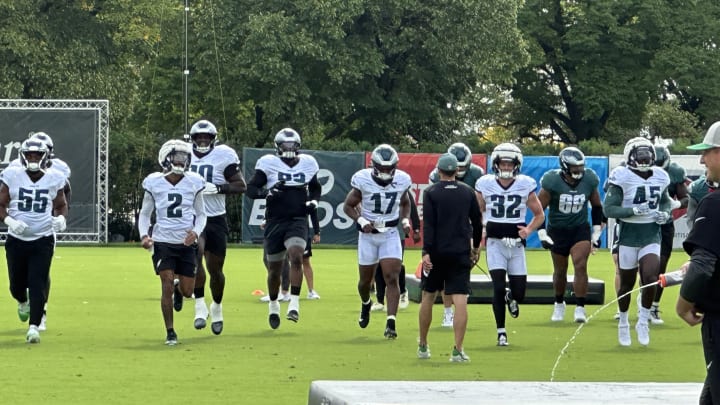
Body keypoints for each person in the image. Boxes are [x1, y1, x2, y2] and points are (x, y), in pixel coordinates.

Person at [246, 128, 321, 329]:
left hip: (298, 219)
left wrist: (314, 201)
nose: (289, 149)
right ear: (278, 147)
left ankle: (294, 304)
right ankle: (273, 304)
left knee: (296, 256)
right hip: (275, 221)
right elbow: (251, 190)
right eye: (285, 146)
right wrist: (267, 193)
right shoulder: (268, 163)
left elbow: (315, 187)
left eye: (292, 146)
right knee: (274, 270)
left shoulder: (308, 163)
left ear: (298, 146)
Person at [603, 136, 672, 347]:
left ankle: (643, 320)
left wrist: (666, 213)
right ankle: (623, 321)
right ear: (630, 157)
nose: (643, 160)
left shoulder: (660, 175)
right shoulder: (621, 176)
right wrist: (631, 210)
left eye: (647, 156)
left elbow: (665, 201)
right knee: (626, 283)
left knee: (651, 276)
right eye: (639, 156)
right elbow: (609, 209)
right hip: (628, 235)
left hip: (651, 233)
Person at [474, 143, 545, 346]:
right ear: (496, 164)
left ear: (517, 165)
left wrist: (529, 230)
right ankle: (501, 332)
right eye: (502, 163)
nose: (506, 167)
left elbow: (539, 215)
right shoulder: (485, 184)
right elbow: (476, 213)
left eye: (509, 163)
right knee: (497, 286)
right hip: (495, 243)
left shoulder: (525, 184)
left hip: (516, 244)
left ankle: (510, 296)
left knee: (520, 293)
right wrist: (479, 238)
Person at [138, 139, 206, 345]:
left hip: (185, 244)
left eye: (184, 158)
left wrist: (196, 232)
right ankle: (170, 331)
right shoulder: (154, 182)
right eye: (177, 157)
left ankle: (180, 290)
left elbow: (202, 214)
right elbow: (145, 214)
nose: (181, 161)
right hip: (163, 241)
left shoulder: (194, 182)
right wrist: (143, 235)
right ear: (166, 159)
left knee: (187, 291)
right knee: (166, 283)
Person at [0, 139, 68, 343]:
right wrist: (9, 220)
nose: (33, 158)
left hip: (42, 238)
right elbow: (0, 204)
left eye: (37, 155)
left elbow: (61, 204)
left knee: (37, 283)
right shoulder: (13, 175)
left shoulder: (54, 177)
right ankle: (22, 301)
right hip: (17, 239)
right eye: (29, 155)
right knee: (16, 286)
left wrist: (62, 218)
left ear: (45, 157)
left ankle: (34, 327)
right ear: (23, 156)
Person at [343, 144, 412, 339]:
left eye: (388, 168)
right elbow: (348, 206)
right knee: (365, 282)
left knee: (392, 276)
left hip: (390, 232)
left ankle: (391, 322)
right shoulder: (362, 179)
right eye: (381, 168)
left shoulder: (402, 180)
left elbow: (405, 202)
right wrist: (361, 220)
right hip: (368, 235)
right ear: (373, 166)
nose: (385, 172)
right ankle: (366, 303)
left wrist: (405, 220)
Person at [419, 153, 482, 362]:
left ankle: (423, 345)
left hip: (436, 252)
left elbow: (428, 225)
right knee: (460, 300)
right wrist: (476, 247)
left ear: (438, 171)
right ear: (457, 171)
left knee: (428, 296)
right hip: (459, 252)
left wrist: (425, 253)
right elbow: (476, 222)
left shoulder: (430, 192)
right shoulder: (467, 192)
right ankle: (457, 349)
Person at [186, 119, 246, 335]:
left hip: (216, 218)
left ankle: (217, 307)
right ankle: (200, 305)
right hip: (192, 218)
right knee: (195, 256)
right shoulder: (182, 154)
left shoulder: (224, 155)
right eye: (198, 137)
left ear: (213, 139)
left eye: (206, 137)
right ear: (191, 139)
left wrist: (218, 188)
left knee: (216, 270)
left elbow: (241, 185)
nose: (202, 140)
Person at [676, 121, 720, 404]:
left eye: (708, 151)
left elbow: (703, 265)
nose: (702, 159)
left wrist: (683, 304)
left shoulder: (714, 203)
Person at [537, 146, 603, 323]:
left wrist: (596, 231)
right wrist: (542, 233)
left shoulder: (589, 178)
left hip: (579, 228)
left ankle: (580, 307)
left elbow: (597, 205)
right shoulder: (552, 181)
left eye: (581, 167)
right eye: (575, 167)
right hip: (557, 230)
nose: (579, 170)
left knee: (580, 265)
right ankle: (559, 303)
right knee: (560, 270)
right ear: (565, 166)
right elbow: (539, 209)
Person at [429, 142, 484, 327]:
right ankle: (447, 310)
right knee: (448, 273)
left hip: (465, 227)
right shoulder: (435, 180)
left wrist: (476, 240)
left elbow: (479, 208)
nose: (458, 170)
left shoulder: (477, 175)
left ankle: (456, 310)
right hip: (445, 229)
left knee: (462, 271)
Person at [648, 144, 688, 325]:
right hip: (643, 225)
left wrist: (676, 204)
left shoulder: (675, 172)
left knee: (661, 266)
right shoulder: (637, 170)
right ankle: (637, 306)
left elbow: (686, 198)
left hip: (664, 225)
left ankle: (654, 307)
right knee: (639, 267)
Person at [372, 191, 420, 312]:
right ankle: (380, 300)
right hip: (379, 231)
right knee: (378, 264)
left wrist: (416, 229)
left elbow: (412, 208)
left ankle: (403, 292)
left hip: (397, 232)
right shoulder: (375, 186)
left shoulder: (402, 187)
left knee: (396, 265)